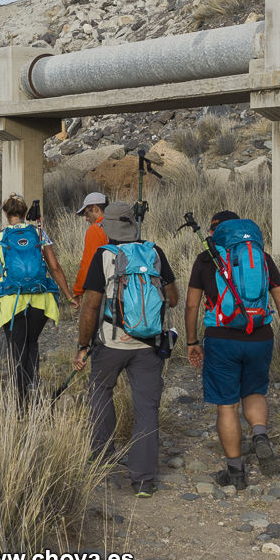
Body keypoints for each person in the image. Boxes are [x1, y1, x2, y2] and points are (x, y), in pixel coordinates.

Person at [184, 210, 280, 491]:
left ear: (214, 232)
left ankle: (236, 473)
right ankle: (259, 435)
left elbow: (191, 305)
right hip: (261, 337)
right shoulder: (260, 256)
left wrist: (191, 341)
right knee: (254, 392)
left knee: (227, 404)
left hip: (222, 339)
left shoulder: (205, 259)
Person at [74, 201, 179, 498]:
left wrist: (83, 346)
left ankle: (103, 462)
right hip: (148, 344)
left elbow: (91, 306)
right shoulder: (154, 252)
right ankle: (144, 480)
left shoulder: (104, 255)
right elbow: (172, 298)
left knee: (100, 392)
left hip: (111, 342)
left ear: (107, 227)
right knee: (146, 408)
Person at [0, 194, 77, 408]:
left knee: (17, 349)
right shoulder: (38, 233)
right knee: (32, 344)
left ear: (6, 214)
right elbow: (54, 267)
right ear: (26, 213)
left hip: (12, 303)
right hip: (39, 300)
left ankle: (20, 405)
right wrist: (69, 296)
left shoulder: (0, 238)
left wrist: (6, 275)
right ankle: (32, 389)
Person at [72, 192, 109, 298]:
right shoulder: (121, 226)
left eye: (87, 213)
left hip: (102, 291)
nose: (86, 219)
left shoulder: (96, 229)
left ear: (96, 208)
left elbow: (88, 264)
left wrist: (78, 290)